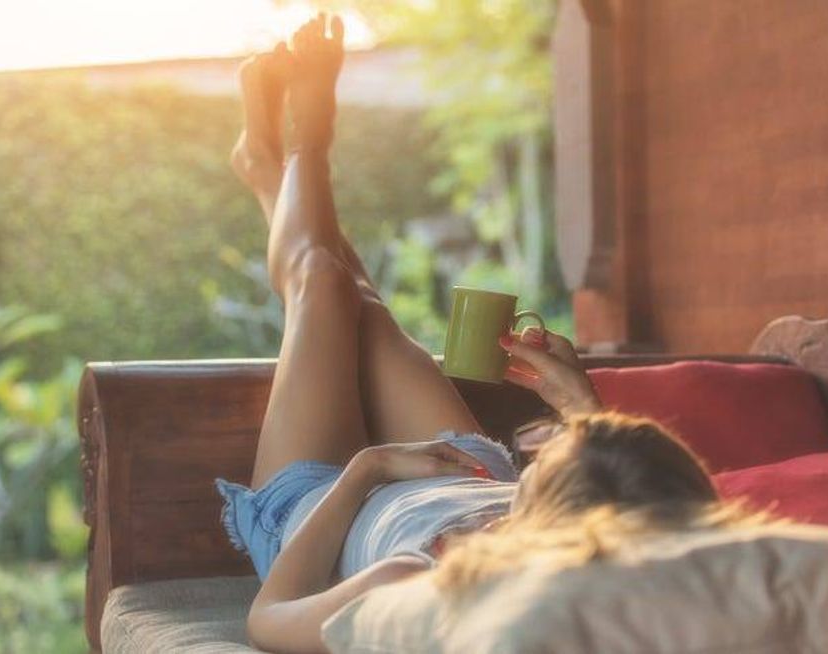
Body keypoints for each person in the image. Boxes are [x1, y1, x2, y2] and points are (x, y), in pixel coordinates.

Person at [217, 15, 759, 653]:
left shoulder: (421, 589)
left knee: (323, 281)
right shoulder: (637, 559)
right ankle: (272, 172)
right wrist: (577, 402)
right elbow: (651, 507)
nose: (533, 459)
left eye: (533, 473)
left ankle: (302, 149)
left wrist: (368, 469)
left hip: (321, 511)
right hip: (462, 473)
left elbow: (268, 616)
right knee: (362, 305)